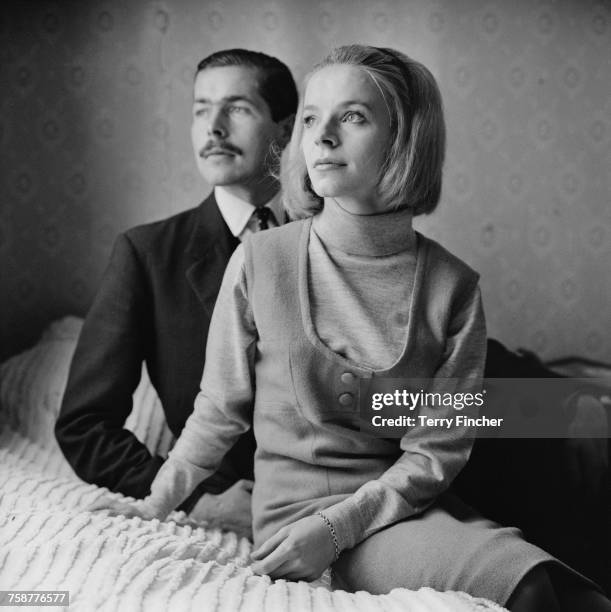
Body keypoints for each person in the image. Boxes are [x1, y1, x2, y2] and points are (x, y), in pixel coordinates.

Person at [90, 45, 610, 611]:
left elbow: (436, 453)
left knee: (571, 586)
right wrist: (153, 503)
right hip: (298, 517)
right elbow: (216, 412)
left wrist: (341, 529)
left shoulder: (452, 284)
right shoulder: (262, 260)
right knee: (530, 587)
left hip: (405, 502)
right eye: (311, 118)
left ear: (404, 139)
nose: (322, 136)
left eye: (353, 116)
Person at [55, 49, 297, 538]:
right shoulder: (147, 254)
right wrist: (196, 497)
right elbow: (84, 426)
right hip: (232, 501)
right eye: (201, 110)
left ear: (287, 129)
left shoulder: (336, 239)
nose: (214, 128)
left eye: (238, 108)